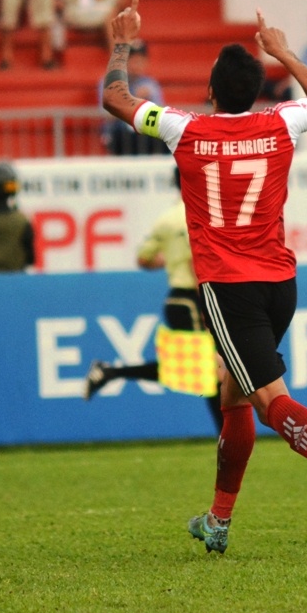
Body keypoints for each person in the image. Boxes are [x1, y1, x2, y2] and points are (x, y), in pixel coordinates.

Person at [101, 0, 307, 553]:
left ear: (209, 92)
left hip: (229, 288)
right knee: (233, 394)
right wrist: (283, 51)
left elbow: (114, 97)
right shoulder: (282, 122)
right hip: (280, 283)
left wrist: (123, 44)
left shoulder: (184, 128)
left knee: (268, 399)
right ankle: (218, 519)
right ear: (255, 91)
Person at [83, 167, 224, 434]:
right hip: (193, 300)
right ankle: (227, 436)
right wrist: (208, 305)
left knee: (188, 369)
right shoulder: (198, 216)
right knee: (212, 368)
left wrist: (171, 260)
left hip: (176, 299)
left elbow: (144, 258)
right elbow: (196, 262)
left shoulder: (166, 219)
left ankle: (109, 372)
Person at [99, 38, 168, 155]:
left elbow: (161, 117)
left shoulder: (151, 85)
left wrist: (149, 103)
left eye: (140, 61)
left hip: (145, 134)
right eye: (133, 60)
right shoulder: (110, 82)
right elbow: (104, 115)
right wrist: (133, 100)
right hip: (118, 133)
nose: (136, 65)